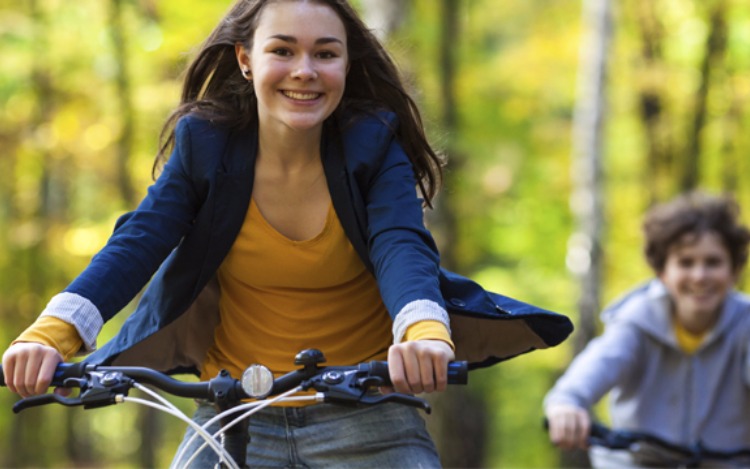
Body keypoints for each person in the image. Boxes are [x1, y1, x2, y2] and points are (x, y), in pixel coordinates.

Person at [2, 0, 572, 467]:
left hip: (366, 411)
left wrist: (424, 331)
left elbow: (402, 242)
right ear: (246, 60)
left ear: (347, 67)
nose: (305, 70)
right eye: (283, 51)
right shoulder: (206, 145)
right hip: (230, 412)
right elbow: (141, 238)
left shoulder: (373, 144)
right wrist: (51, 334)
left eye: (326, 54)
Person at [544, 191, 750, 467]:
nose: (700, 276)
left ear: (734, 270)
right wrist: (566, 404)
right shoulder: (636, 321)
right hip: (637, 462)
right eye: (686, 262)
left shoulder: (745, 323)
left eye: (713, 262)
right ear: (662, 272)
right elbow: (592, 370)